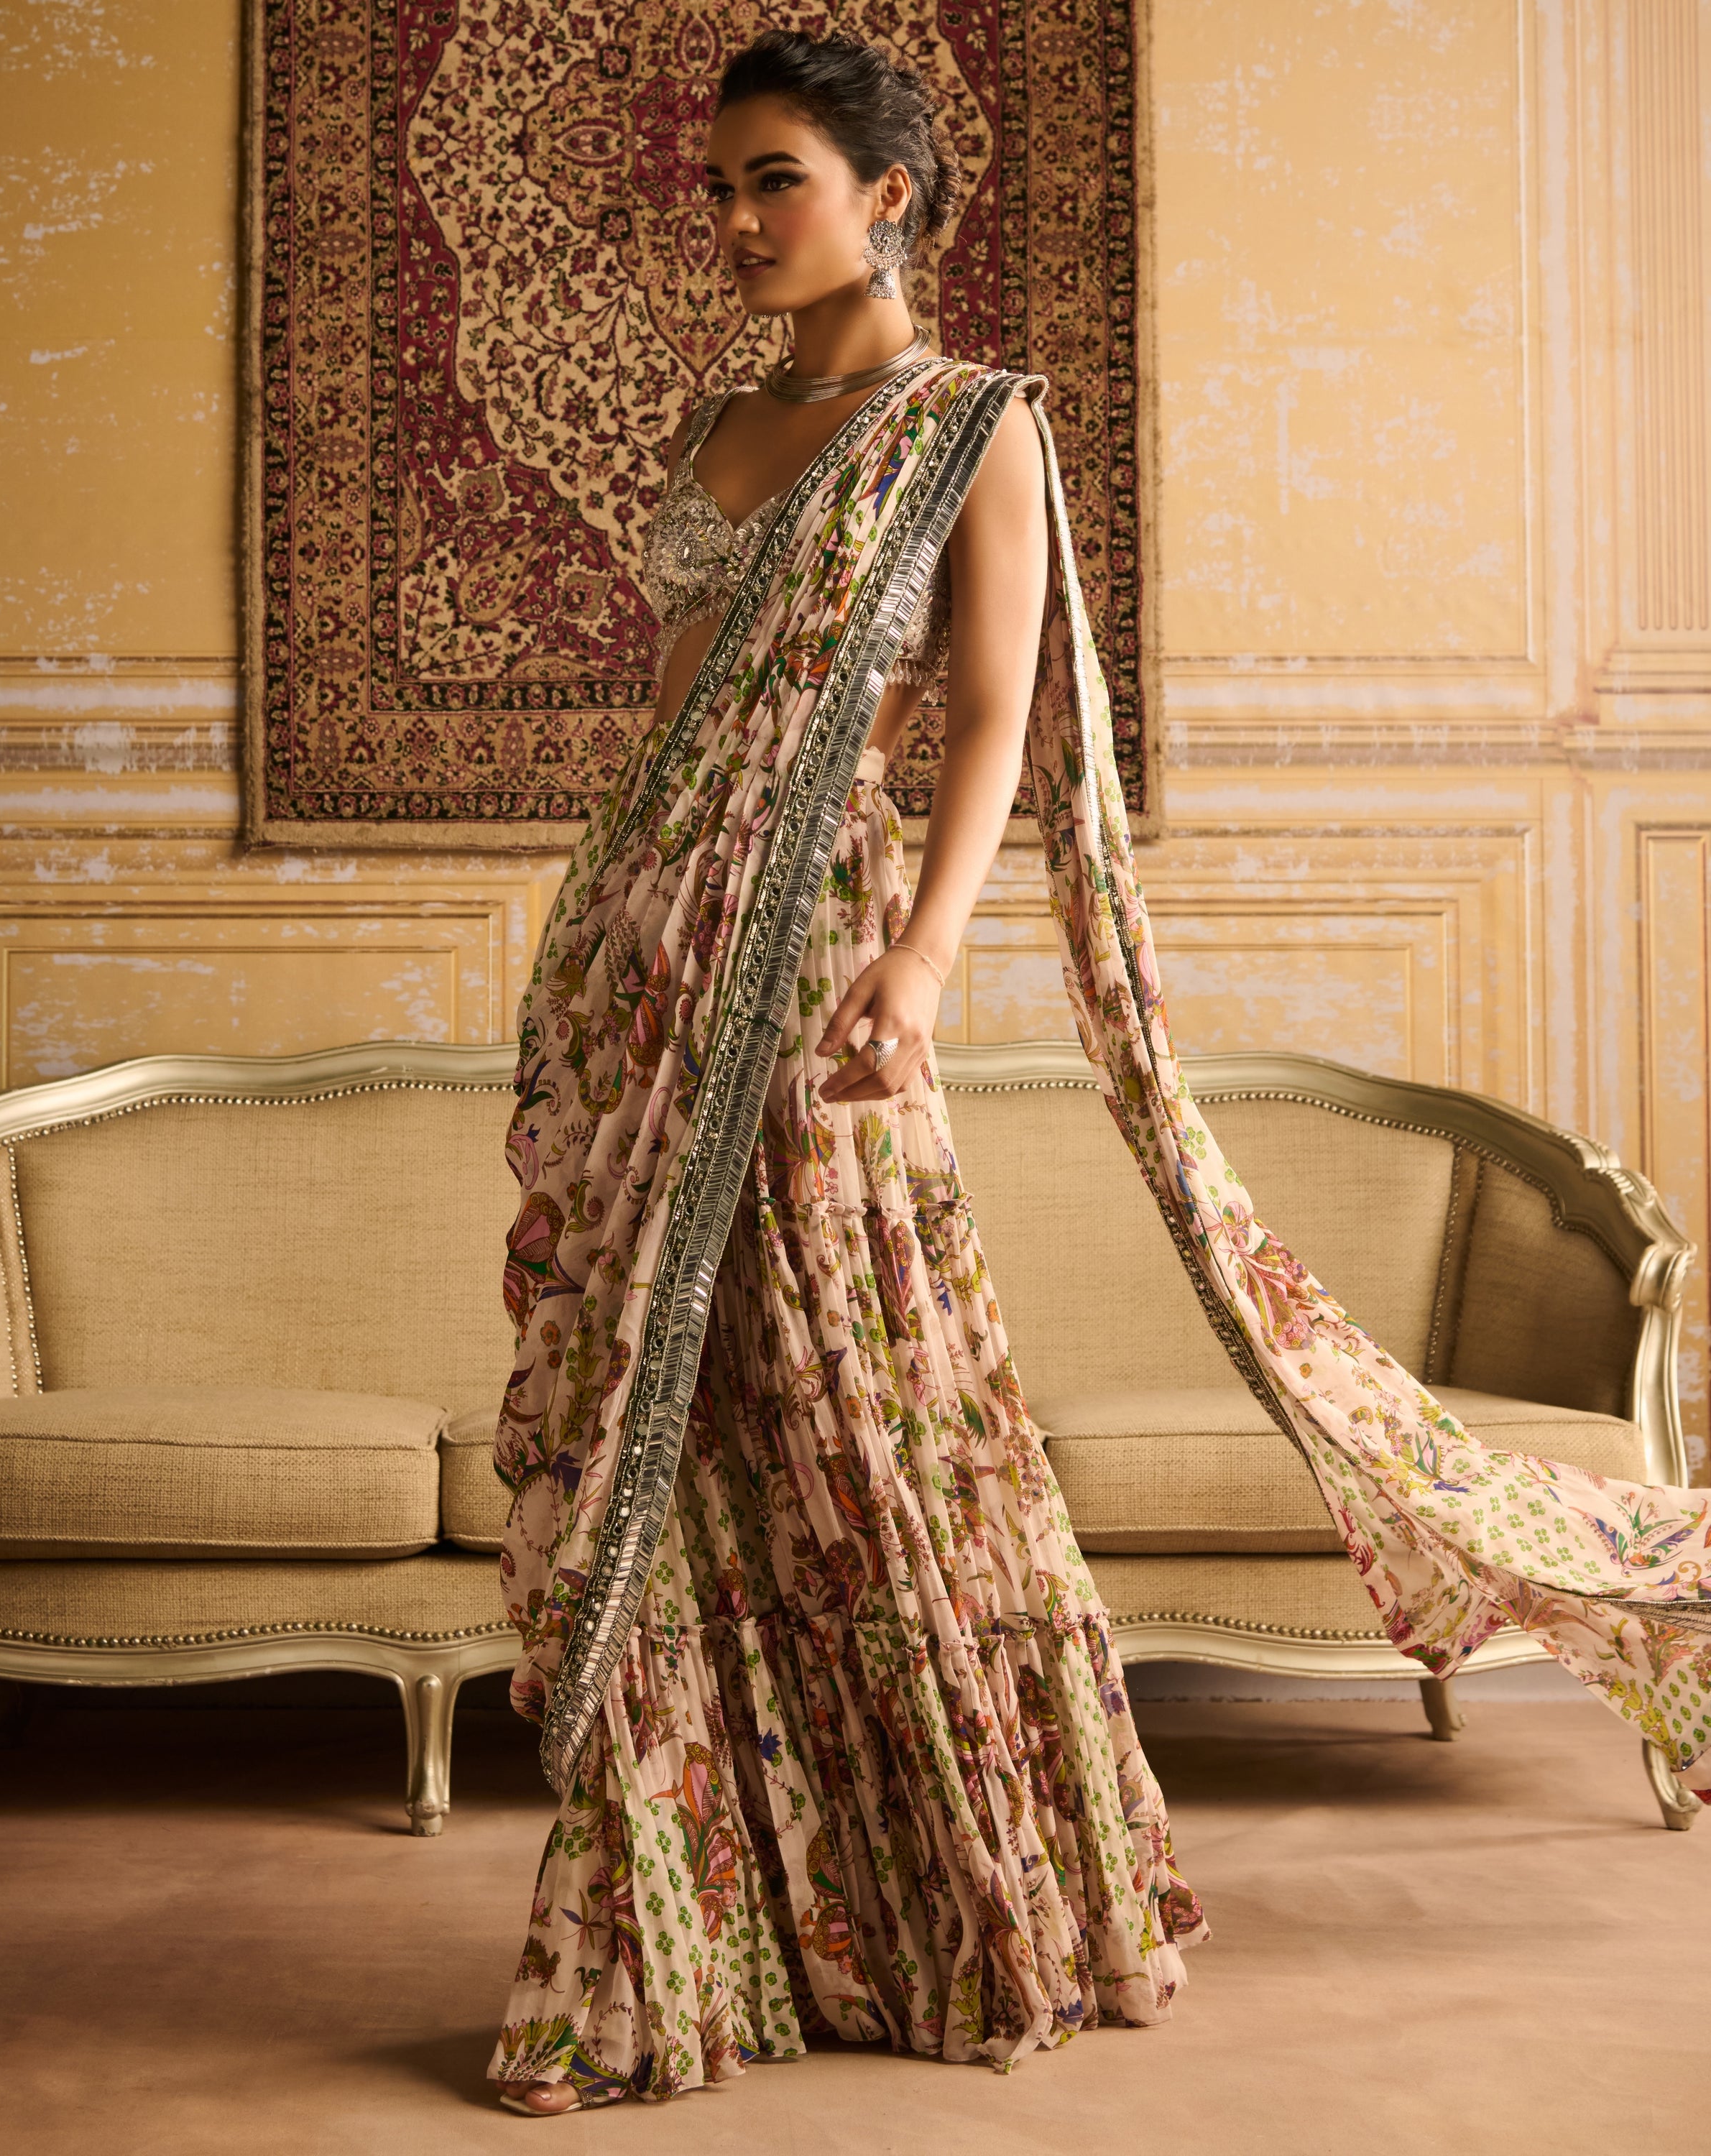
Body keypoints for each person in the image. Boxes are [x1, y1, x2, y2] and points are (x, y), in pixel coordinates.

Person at [488, 27, 1710, 2118]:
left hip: (821, 953)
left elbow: (991, 709)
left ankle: (975, 1900)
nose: (737, 220)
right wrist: (608, 943)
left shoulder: (976, 426)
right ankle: (701, 1934)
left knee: (868, 1405)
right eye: (719, 186)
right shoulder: (723, 426)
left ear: (886, 193)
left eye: (775, 179)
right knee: (687, 1441)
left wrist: (923, 955)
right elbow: (684, 713)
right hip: (645, 958)